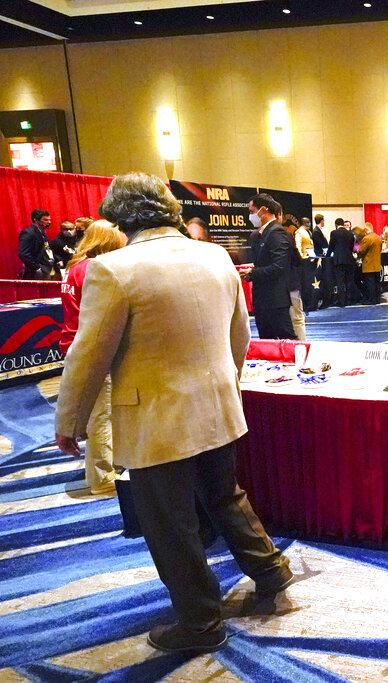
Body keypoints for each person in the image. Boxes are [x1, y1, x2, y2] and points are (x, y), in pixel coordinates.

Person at [54, 172, 293, 656]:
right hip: (219, 404)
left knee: (169, 522)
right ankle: (271, 570)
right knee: (225, 495)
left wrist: (69, 421)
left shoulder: (114, 269)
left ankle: (201, 621)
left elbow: (88, 356)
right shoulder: (215, 256)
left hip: (155, 416)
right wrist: (226, 384)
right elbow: (239, 338)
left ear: (118, 216)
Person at [58, 219, 125, 495]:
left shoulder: (75, 267)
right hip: (91, 346)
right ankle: (102, 477)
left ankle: (108, 464)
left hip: (74, 342)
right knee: (103, 413)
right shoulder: (95, 269)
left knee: (98, 411)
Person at [240, 193, 296, 340]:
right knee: (267, 342)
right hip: (264, 301)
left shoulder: (276, 232)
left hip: (275, 301)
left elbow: (279, 267)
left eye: (252, 211)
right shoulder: (260, 234)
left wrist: (253, 273)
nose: (250, 216)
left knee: (287, 340)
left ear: (263, 210)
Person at [280, 214, 306, 340]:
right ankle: (301, 344)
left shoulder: (265, 236)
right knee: (297, 318)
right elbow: (297, 260)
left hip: (281, 285)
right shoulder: (288, 237)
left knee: (290, 319)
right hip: (291, 283)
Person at [18, 209, 56, 280]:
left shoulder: (42, 232)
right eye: (45, 220)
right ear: (36, 220)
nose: (49, 222)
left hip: (46, 268)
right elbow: (23, 253)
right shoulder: (28, 232)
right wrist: (36, 268)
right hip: (35, 271)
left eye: (49, 219)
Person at [328, 217, 356, 307]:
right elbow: (351, 247)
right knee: (349, 281)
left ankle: (342, 301)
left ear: (336, 225)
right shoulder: (350, 234)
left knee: (340, 281)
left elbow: (331, 246)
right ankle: (349, 300)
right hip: (349, 259)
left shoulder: (334, 233)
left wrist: (327, 255)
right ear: (343, 224)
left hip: (338, 260)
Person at [356, 223, 383, 304]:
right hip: (377, 263)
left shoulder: (366, 238)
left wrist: (357, 252)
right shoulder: (378, 238)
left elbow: (361, 250)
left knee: (369, 283)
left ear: (366, 229)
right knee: (377, 282)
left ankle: (370, 300)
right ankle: (377, 299)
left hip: (368, 264)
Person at [293, 217, 316, 312]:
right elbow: (297, 246)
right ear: (302, 222)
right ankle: (306, 304)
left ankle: (311, 303)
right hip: (304, 261)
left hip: (310, 259)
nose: (309, 223)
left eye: (309, 222)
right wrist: (301, 258)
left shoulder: (309, 232)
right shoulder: (299, 232)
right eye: (307, 222)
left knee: (310, 283)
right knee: (306, 283)